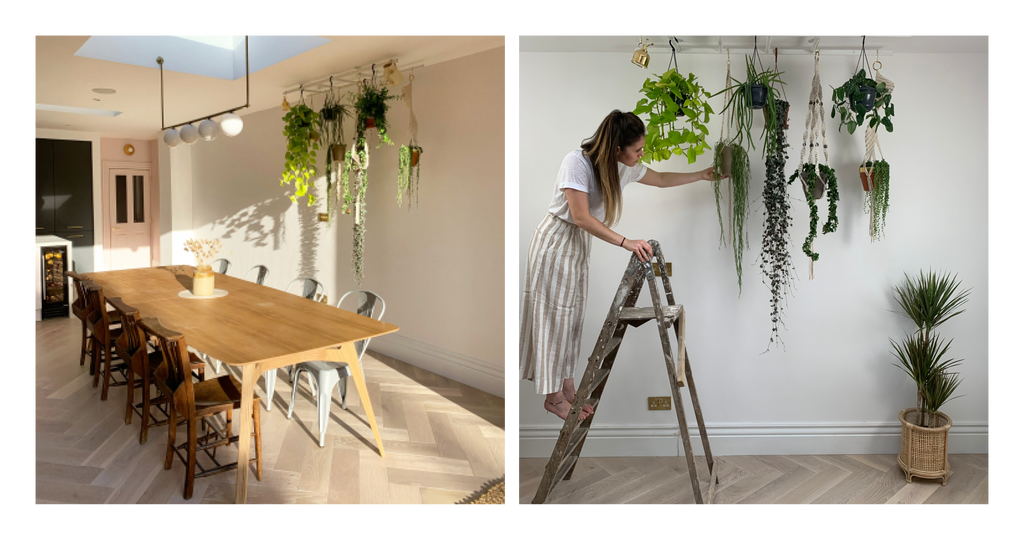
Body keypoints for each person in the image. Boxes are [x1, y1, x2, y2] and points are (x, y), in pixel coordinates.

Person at [518, 109, 726, 421]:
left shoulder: (622, 167)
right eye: (637, 150)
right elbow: (580, 217)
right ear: (617, 148)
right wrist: (626, 241)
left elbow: (660, 179)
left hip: (577, 245)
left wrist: (702, 174)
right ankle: (553, 397)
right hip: (556, 241)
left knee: (573, 314)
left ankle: (567, 385)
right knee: (554, 314)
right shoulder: (577, 162)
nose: (641, 154)